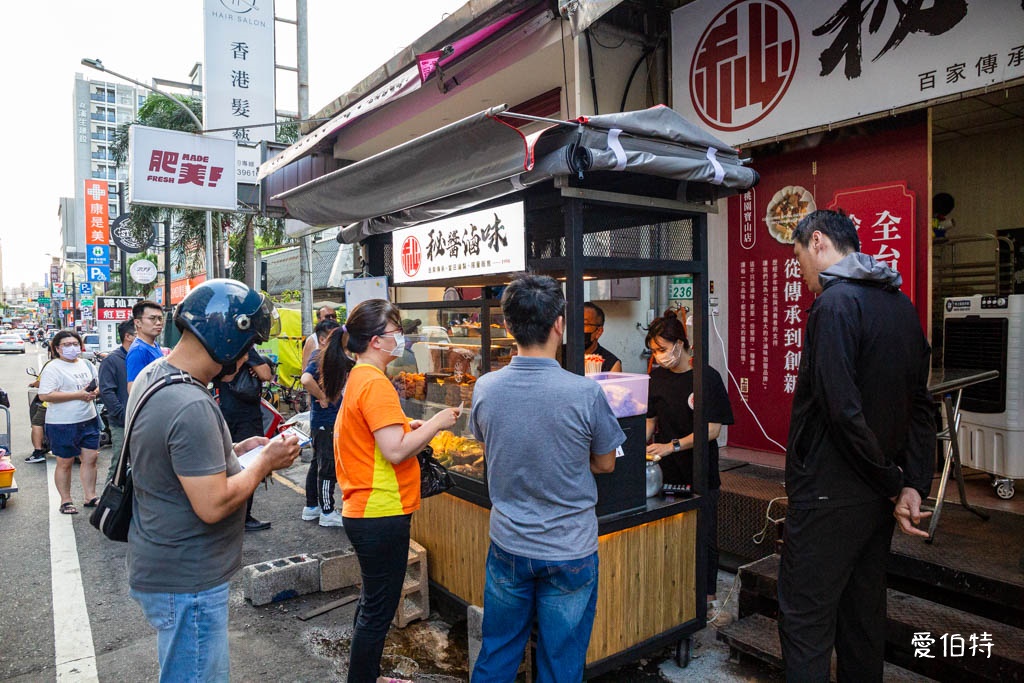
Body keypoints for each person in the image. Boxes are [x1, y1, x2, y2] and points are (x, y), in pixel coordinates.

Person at [778, 210, 935, 681]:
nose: (801, 272)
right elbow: (921, 404)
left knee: (805, 625)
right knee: (863, 622)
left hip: (829, 494)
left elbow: (841, 410)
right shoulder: (901, 305)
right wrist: (911, 484)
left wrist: (894, 482)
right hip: (875, 501)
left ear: (818, 242)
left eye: (798, 258)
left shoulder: (834, 305)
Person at [127, 278, 300, 682]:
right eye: (248, 346)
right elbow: (213, 503)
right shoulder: (189, 403)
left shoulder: (157, 374)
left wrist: (236, 451)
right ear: (228, 339)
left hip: (165, 562)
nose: (246, 358)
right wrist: (265, 462)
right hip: (188, 580)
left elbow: (175, 458)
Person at [470, 274, 625, 683]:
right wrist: (571, 457)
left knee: (497, 653)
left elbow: (490, 447)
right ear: (560, 324)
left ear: (508, 326)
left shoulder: (486, 388)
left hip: (509, 543)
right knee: (561, 664)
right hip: (570, 548)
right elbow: (606, 463)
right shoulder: (585, 393)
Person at [319, 299, 460, 683]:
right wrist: (436, 422)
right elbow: (395, 451)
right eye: (395, 331)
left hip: (367, 510)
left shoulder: (360, 377)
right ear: (377, 340)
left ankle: (367, 676)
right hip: (380, 511)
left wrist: (406, 426)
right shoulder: (375, 383)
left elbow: (378, 437)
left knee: (372, 603)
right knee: (378, 611)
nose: (401, 337)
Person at [644, 311, 734, 608]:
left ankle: (708, 600)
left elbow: (712, 429)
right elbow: (650, 421)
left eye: (662, 349)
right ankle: (674, 595)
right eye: (654, 351)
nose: (658, 356)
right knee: (671, 533)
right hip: (666, 471)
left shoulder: (706, 377)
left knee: (703, 534)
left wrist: (671, 446)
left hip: (699, 468)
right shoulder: (656, 378)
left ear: (680, 344)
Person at [37, 330, 101, 514]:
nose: (72, 348)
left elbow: (97, 385)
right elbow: (45, 395)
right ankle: (66, 500)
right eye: (66, 345)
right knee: (65, 462)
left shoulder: (87, 364)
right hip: (62, 422)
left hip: (88, 419)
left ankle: (90, 496)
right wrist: (78, 395)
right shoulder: (53, 367)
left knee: (90, 459)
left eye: (75, 344)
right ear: (57, 348)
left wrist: (93, 393)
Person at [214, 346, 275, 531]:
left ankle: (236, 515)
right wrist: (247, 361)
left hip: (231, 414)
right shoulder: (242, 349)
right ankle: (241, 517)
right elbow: (264, 374)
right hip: (242, 417)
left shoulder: (225, 349)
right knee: (243, 464)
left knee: (233, 464)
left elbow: (265, 374)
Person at [300, 318, 344, 527]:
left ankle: (312, 507)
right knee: (327, 466)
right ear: (324, 339)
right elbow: (306, 379)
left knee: (317, 462)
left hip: (322, 421)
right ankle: (327, 511)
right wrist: (323, 397)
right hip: (326, 422)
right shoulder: (320, 356)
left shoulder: (329, 356)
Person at [99, 320, 136, 483]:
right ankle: (110, 495)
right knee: (119, 464)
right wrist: (123, 415)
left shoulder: (142, 357)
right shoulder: (112, 360)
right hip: (122, 423)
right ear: (128, 336)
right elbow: (107, 392)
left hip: (143, 420)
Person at [26, 344, 58, 464]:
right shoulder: (82, 363)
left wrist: (33, 384)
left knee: (37, 423)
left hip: (50, 403)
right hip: (77, 403)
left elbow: (40, 383)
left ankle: (38, 451)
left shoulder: (51, 364)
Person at [125, 300, 165, 392]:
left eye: (160, 318)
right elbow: (133, 389)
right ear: (138, 322)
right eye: (152, 318)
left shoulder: (155, 345)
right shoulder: (138, 350)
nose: (158, 323)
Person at [583, 302, 622, 372]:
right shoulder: (562, 354)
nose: (576, 327)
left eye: (584, 324)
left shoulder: (611, 364)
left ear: (598, 331)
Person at [301, 305, 338, 370]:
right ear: (319, 319)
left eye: (333, 316)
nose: (331, 319)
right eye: (327, 317)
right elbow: (305, 368)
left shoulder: (342, 336)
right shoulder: (312, 339)